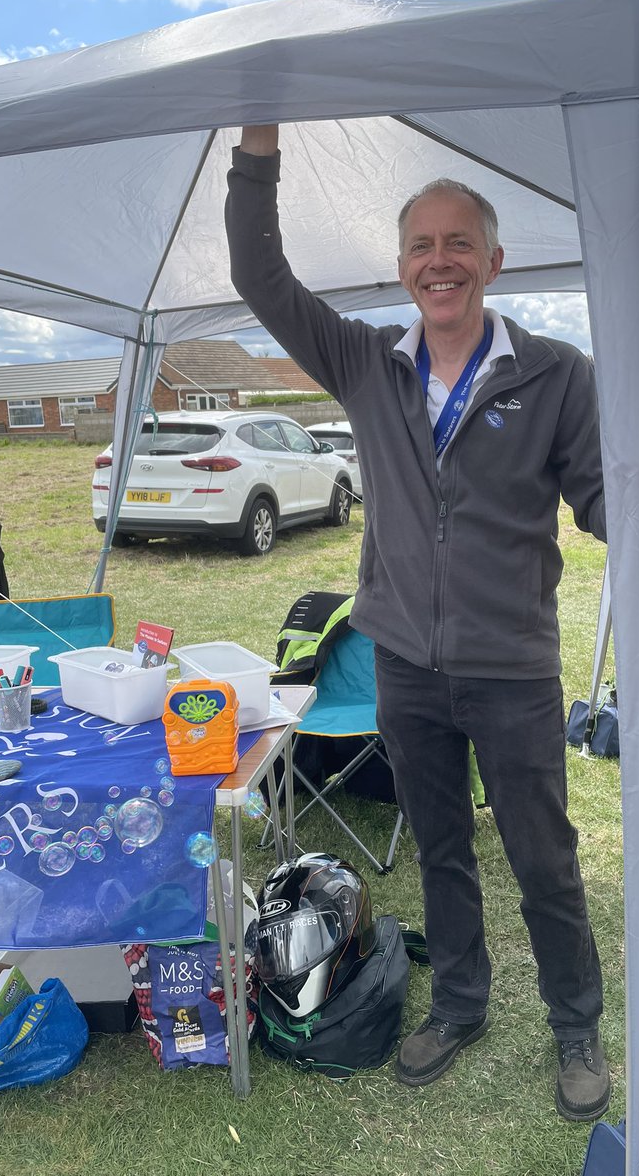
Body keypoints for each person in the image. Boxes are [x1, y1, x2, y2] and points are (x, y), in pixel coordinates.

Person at [226, 125, 610, 1121]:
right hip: (404, 661)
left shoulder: (556, 374)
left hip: (512, 664)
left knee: (542, 856)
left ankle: (577, 1027)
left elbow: (605, 500)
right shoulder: (364, 362)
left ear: (492, 259)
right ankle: (462, 1003)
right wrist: (257, 153)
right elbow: (259, 274)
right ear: (401, 269)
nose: (439, 262)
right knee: (439, 846)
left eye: (458, 244)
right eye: (420, 248)